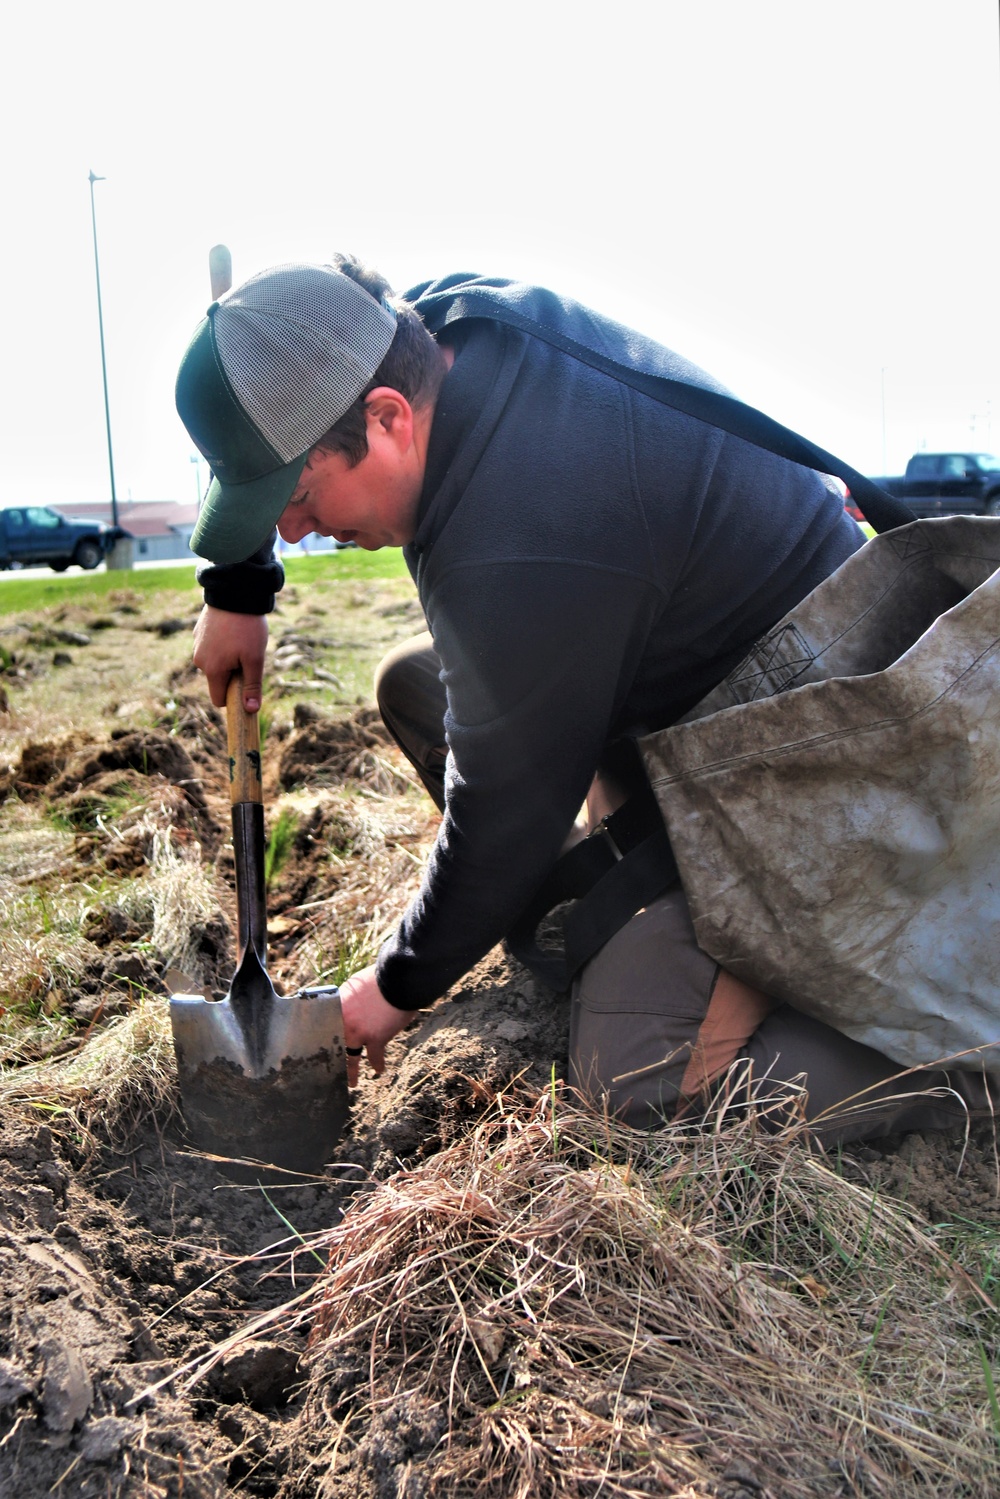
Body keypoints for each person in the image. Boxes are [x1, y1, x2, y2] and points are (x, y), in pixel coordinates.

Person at [175, 255, 994, 1145]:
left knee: (629, 1082)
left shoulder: (525, 540)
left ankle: (947, 1069)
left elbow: (499, 815)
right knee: (414, 687)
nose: (293, 530)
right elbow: (304, 327)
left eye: (296, 498)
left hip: (814, 764)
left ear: (386, 419)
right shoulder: (430, 325)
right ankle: (623, 903)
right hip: (692, 701)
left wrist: (393, 987)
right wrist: (236, 585)